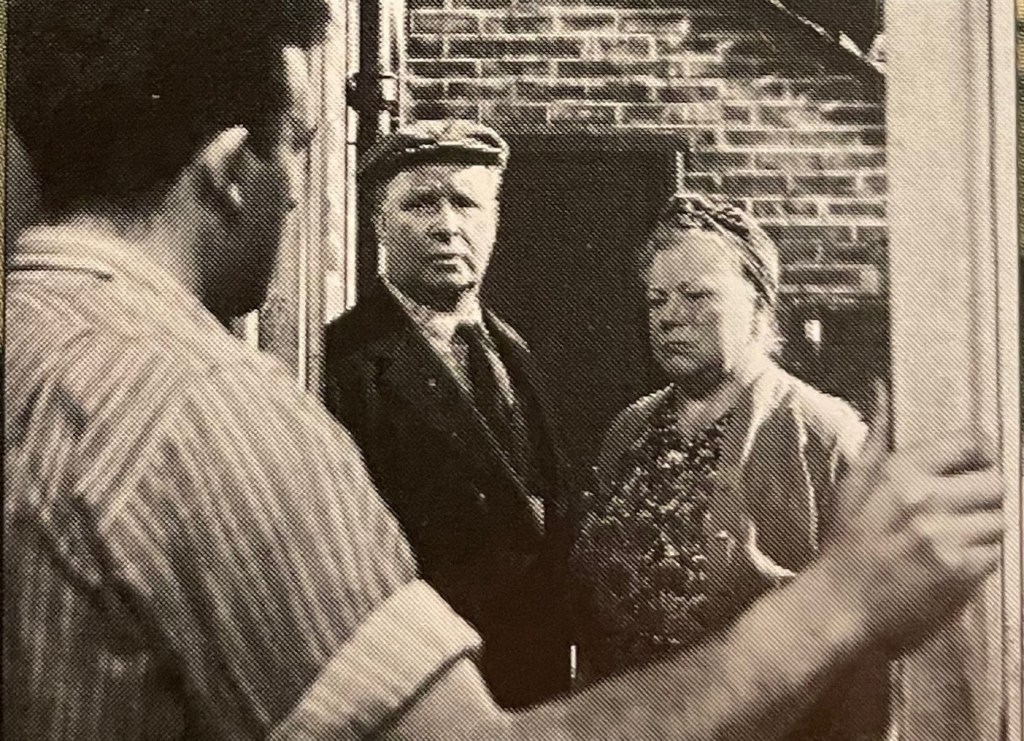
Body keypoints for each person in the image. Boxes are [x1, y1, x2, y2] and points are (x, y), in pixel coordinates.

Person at [3, 1, 1004, 739]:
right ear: (231, 171)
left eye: (468, 204)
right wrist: (844, 598)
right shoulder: (215, 410)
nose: (300, 193)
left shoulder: (33, 344)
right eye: (298, 149)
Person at [570, 193, 887, 737]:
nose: (669, 316)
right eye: (656, 299)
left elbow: (868, 635)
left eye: (695, 295)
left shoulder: (827, 435)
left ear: (759, 306)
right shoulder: (629, 430)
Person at [322, 120, 572, 708]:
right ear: (379, 223)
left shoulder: (514, 350)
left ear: (495, 220)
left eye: (465, 203)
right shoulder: (342, 363)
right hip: (431, 692)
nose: (446, 225)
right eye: (421, 204)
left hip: (534, 685)